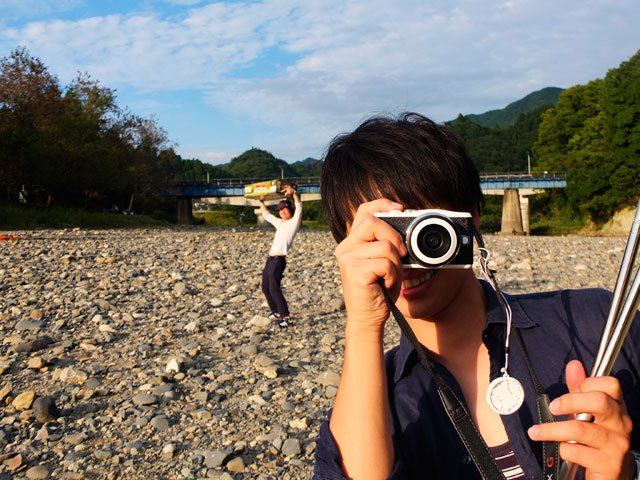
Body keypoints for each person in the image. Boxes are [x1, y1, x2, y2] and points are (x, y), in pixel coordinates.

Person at [313, 112, 640, 479]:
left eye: (424, 231)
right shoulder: (372, 399)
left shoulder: (601, 324)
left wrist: (630, 471)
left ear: (471, 218)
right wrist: (363, 324)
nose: (405, 260)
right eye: (380, 238)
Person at [259, 184, 302, 328]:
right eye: (280, 210)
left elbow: (299, 207)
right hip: (270, 259)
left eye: (285, 209)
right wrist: (261, 201)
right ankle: (276, 312)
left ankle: (286, 317)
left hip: (279, 260)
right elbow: (267, 215)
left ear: (290, 210)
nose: (282, 212)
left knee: (274, 288)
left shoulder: (293, 222)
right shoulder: (280, 223)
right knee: (265, 286)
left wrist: (293, 193)